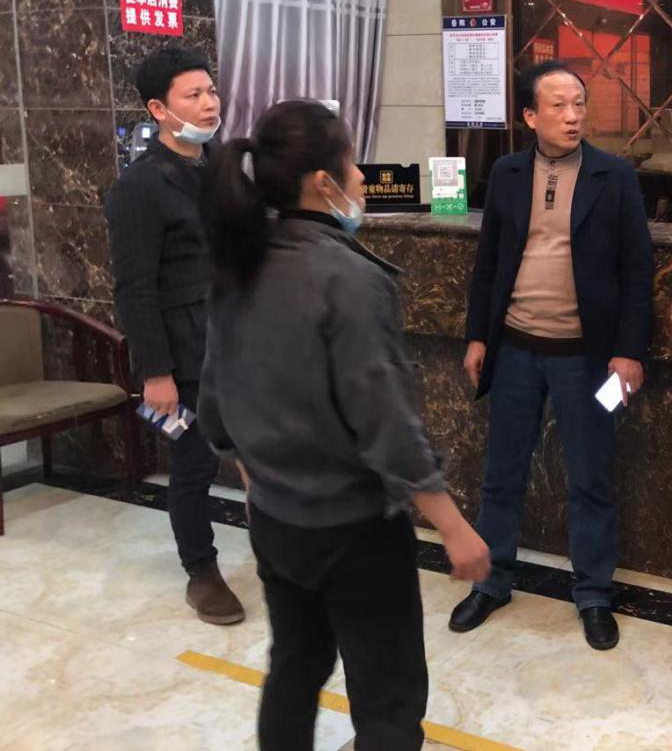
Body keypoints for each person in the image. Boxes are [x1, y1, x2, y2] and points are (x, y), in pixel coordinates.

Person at [197, 100, 490, 751]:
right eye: (353, 162)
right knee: (387, 699)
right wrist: (452, 525)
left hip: (276, 520)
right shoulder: (350, 280)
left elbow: (215, 397)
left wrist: (255, 478)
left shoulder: (240, 259)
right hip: (353, 531)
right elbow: (385, 422)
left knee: (295, 666)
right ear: (322, 182)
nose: (361, 176)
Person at [452, 59, 654, 650]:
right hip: (515, 347)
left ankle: (593, 593)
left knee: (590, 477)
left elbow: (637, 271)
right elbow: (488, 262)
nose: (573, 116)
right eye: (559, 106)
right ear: (529, 116)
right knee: (501, 474)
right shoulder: (508, 172)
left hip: (587, 358)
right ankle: (491, 582)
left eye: (579, 104)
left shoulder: (614, 176)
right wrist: (479, 336)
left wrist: (628, 351)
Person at [103, 46, 245, 625]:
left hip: (240, 340)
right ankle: (201, 570)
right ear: (159, 109)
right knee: (194, 466)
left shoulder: (221, 167)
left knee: (261, 452)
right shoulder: (139, 187)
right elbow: (134, 288)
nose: (210, 103)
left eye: (211, 91)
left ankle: (283, 553)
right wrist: (155, 373)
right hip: (184, 354)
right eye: (194, 95)